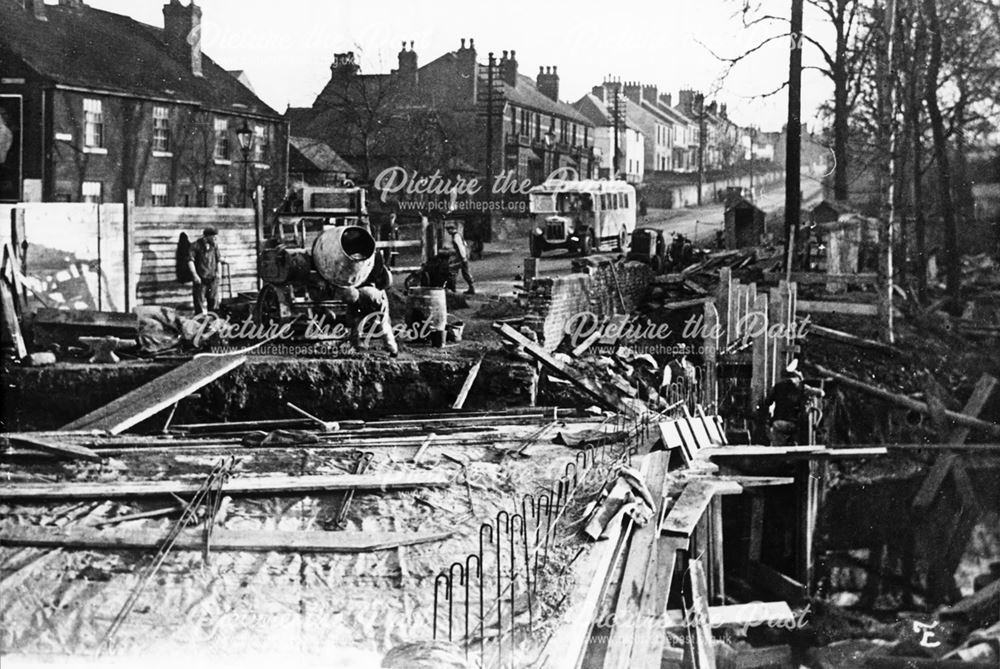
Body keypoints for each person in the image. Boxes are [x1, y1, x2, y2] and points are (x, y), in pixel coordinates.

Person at [350, 250, 399, 357]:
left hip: (374, 298)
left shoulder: (369, 294)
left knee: (381, 325)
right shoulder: (372, 257)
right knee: (360, 324)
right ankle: (358, 346)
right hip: (369, 294)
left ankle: (392, 349)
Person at [762, 367, 825, 446]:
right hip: (796, 423)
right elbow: (822, 393)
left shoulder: (777, 387)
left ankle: (779, 449)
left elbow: (767, 402)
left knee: (776, 436)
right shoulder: (803, 387)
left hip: (779, 422)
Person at [188, 226, 223, 314]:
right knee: (199, 303)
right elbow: (190, 261)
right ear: (206, 237)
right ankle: (200, 323)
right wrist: (194, 275)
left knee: (214, 302)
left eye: (216, 236)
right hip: (200, 279)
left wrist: (219, 273)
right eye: (213, 236)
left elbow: (218, 260)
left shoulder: (214, 246)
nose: (215, 238)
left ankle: (214, 323)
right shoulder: (195, 245)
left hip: (212, 279)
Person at [443, 219, 475, 295]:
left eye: (448, 230)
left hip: (460, 257)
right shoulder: (458, 235)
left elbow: (461, 247)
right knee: (465, 273)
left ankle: (452, 288)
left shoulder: (456, 237)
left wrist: (463, 257)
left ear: (451, 229)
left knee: (453, 272)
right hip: (462, 256)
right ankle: (471, 288)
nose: (448, 232)